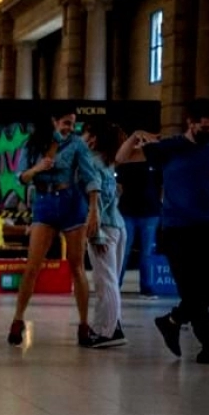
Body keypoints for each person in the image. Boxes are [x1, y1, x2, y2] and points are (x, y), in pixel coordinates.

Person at [116, 97, 209, 364]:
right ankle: (208, 343)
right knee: (191, 290)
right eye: (204, 127)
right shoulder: (169, 148)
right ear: (190, 122)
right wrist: (136, 135)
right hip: (178, 229)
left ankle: (172, 320)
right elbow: (122, 157)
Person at [8, 108, 101, 347]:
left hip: (71, 202)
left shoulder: (77, 145)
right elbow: (21, 177)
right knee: (32, 265)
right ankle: (17, 320)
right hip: (45, 202)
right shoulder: (34, 143)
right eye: (65, 122)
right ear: (54, 121)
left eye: (72, 124)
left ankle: (83, 324)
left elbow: (91, 177)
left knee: (76, 265)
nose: (69, 127)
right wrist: (38, 168)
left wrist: (93, 210)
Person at [80, 119, 128, 348]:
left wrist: (95, 232)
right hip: (118, 225)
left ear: (93, 138)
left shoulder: (91, 162)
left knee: (104, 281)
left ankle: (107, 332)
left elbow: (97, 198)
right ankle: (112, 325)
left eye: (84, 133)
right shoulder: (108, 164)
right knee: (112, 280)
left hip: (104, 228)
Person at [115, 155, 162, 298]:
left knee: (146, 253)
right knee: (124, 251)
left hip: (150, 213)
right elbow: (119, 187)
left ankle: (146, 288)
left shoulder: (155, 162)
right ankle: (115, 286)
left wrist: (159, 204)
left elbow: (161, 185)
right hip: (127, 212)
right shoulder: (124, 163)